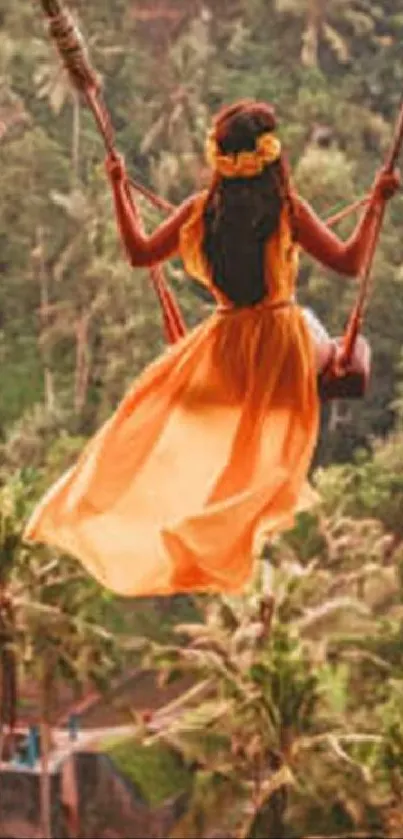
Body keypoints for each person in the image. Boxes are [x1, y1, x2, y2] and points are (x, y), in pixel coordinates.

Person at [23, 100, 400, 597]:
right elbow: (352, 263)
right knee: (342, 349)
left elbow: (139, 253)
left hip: (223, 349)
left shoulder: (199, 212)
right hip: (286, 349)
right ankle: (216, 519)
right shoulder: (288, 210)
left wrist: (119, 189)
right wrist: (375, 205)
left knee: (150, 409)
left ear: (218, 156)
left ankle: (118, 509)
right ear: (273, 156)